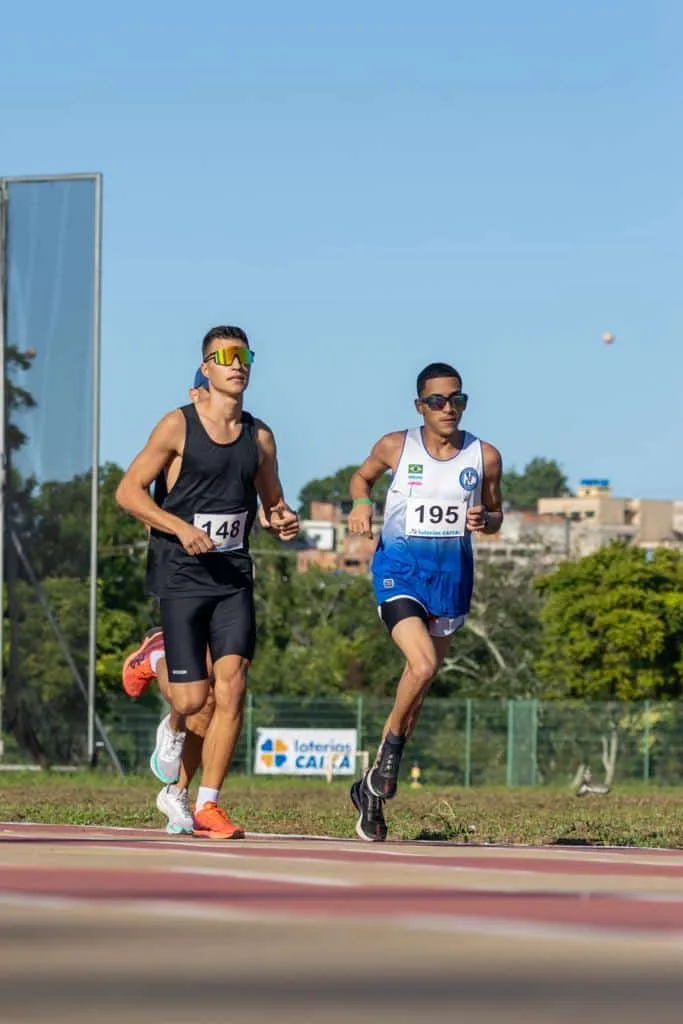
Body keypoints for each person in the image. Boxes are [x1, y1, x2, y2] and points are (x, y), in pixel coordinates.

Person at [116, 325, 299, 839]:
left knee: (233, 687)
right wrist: (178, 527)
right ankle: (156, 658)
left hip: (233, 575)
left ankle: (209, 804)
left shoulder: (259, 437)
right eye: (225, 356)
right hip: (180, 572)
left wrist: (283, 519)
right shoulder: (178, 427)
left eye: (244, 356)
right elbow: (128, 493)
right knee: (194, 701)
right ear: (206, 368)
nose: (237, 364)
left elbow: (272, 502)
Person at [347, 362, 503, 841]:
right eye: (437, 401)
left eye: (457, 399)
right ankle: (390, 754)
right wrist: (360, 504)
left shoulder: (485, 456)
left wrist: (486, 518)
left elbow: (497, 513)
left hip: (451, 581)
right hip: (399, 572)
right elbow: (361, 478)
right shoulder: (396, 446)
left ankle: (371, 788)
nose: (448, 408)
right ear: (420, 406)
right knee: (420, 666)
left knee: (418, 689)